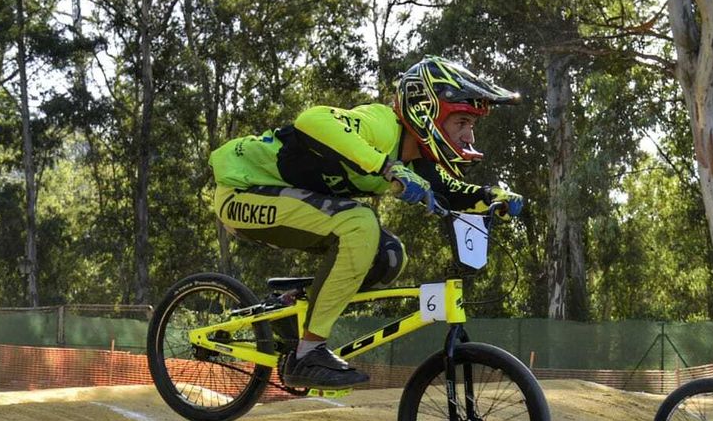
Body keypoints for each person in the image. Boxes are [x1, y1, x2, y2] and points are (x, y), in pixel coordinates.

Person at [208, 56, 525, 389]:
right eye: (461, 122)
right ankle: (308, 353)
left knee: (390, 256)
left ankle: (291, 303)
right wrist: (386, 166)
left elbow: (451, 193)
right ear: (426, 112)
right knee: (359, 223)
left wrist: (491, 196)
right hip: (241, 192)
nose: (468, 135)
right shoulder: (381, 125)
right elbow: (311, 120)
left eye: (472, 125)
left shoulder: (418, 162)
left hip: (287, 202)